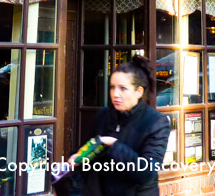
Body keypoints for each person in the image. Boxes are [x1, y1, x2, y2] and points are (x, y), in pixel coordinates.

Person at [70, 55, 170, 196]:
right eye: (112, 87)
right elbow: (91, 156)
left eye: (123, 89)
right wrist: (78, 157)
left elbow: (146, 174)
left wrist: (113, 145)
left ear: (139, 92)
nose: (115, 94)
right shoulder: (104, 115)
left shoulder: (156, 122)